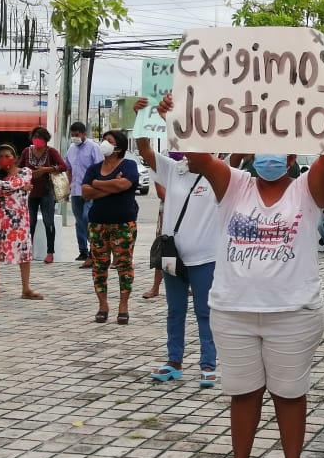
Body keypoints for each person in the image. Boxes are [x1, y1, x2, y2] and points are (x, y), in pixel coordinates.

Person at [155, 87, 324, 458]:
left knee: (290, 392)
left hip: (293, 311)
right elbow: (199, 157)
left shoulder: (307, 190)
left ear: (294, 158)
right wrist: (179, 116)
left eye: (279, 151)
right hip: (233, 310)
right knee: (242, 391)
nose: (270, 157)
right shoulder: (234, 184)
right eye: (262, 149)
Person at [132, 106, 220, 387]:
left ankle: (208, 364)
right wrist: (142, 118)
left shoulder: (218, 172)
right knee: (175, 309)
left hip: (205, 256)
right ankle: (174, 361)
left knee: (205, 311)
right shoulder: (173, 169)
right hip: (172, 255)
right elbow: (144, 149)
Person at [81, 129, 140, 325]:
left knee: (124, 265)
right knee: (99, 265)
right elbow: (85, 192)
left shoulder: (129, 165)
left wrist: (98, 184)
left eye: (109, 140)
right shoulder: (94, 168)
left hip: (123, 223)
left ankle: (123, 306)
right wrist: (111, 187)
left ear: (119, 147)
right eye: (103, 140)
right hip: (98, 224)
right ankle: (103, 305)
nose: (104, 143)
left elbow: (124, 185)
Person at [0, 144, 42, 302]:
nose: (4, 159)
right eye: (0, 156)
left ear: (15, 158)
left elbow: (1, 186)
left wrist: (6, 185)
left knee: (24, 253)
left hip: (20, 220)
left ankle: (26, 288)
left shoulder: (25, 172)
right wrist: (21, 186)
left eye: (7, 155)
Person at [18, 126, 69, 264]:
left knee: (48, 222)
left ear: (45, 140)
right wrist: (26, 172)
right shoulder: (26, 151)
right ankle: (28, 251)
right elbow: (18, 167)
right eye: (35, 138)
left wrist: (47, 169)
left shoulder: (51, 151)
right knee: (31, 222)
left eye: (40, 138)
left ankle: (50, 252)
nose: (37, 141)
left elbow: (63, 166)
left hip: (47, 191)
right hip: (31, 191)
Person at [65, 121, 102, 266]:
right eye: (72, 135)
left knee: (88, 218)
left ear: (83, 134)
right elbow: (69, 168)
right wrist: (69, 186)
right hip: (75, 190)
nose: (74, 137)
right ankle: (84, 251)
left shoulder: (94, 148)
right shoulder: (71, 149)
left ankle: (95, 250)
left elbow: (99, 168)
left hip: (90, 190)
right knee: (79, 221)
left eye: (77, 135)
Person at [142, 182, 168, 299]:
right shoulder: (168, 168)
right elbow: (162, 194)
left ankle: (189, 285)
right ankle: (156, 287)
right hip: (168, 213)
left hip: (189, 215)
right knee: (163, 249)